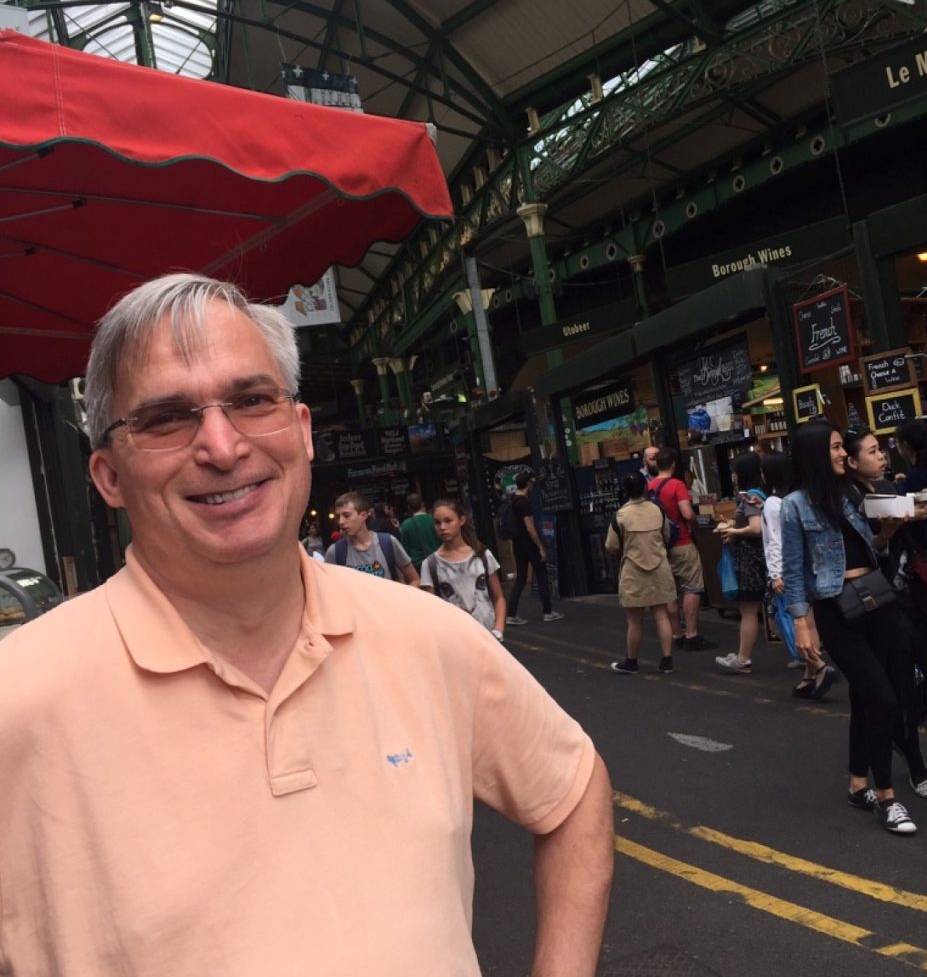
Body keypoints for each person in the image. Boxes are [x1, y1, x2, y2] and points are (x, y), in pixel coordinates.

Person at [0, 273, 615, 973]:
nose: (223, 446)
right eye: (167, 418)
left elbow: (571, 791)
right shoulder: (20, 700)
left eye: (252, 400)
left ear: (300, 431)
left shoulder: (427, 636)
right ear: (108, 476)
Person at [781, 422, 917, 835]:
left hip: (875, 601)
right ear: (815, 454)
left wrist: (890, 531)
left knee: (866, 697)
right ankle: (887, 797)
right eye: (837, 448)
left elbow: (869, 549)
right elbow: (793, 569)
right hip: (835, 609)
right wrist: (802, 624)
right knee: (883, 698)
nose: (844, 454)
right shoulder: (794, 505)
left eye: (843, 447)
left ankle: (858, 784)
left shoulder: (848, 494)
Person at [844, 427, 927, 798]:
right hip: (881, 602)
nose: (882, 457)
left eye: (883, 449)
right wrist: (888, 533)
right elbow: (864, 555)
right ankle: (911, 761)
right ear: (851, 460)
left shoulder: (891, 490)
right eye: (874, 451)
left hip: (912, 593)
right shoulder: (847, 501)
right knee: (897, 685)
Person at [761, 452, 834, 697]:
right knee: (809, 621)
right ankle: (809, 676)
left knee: (795, 622)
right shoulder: (798, 498)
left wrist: (775, 573)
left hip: (786, 570)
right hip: (806, 566)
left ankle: (818, 666)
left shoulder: (773, 503)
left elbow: (775, 539)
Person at [606, 471, 677, 675]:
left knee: (634, 620)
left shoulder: (620, 515)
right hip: (659, 567)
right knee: (661, 615)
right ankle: (667, 661)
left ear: (625, 491)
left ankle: (631, 662)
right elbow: (667, 535)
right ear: (645, 488)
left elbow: (611, 546)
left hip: (633, 569)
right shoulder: (657, 511)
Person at [648, 447, 713, 652]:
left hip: (660, 547)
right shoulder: (676, 485)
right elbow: (686, 513)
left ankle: (677, 633)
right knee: (692, 587)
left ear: (656, 464)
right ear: (673, 465)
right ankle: (692, 633)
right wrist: (695, 525)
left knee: (670, 592)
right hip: (682, 542)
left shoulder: (648, 487)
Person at [715, 452, 770, 676]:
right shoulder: (758, 494)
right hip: (756, 558)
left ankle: (743, 659)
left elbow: (756, 528)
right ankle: (804, 655)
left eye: (735, 472)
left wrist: (733, 531)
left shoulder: (750, 497)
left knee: (748, 610)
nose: (734, 476)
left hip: (751, 560)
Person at [420, 499, 506, 641]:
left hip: (489, 637)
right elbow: (432, 610)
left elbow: (498, 597)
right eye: (437, 522)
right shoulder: (430, 564)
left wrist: (498, 628)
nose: (442, 527)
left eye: (448, 521)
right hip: (456, 641)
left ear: (461, 520)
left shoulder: (482, 555)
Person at [505, 471, 564, 625]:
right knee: (542, 575)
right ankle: (548, 611)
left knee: (521, 579)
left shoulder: (512, 500)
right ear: (528, 483)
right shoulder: (524, 502)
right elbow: (530, 527)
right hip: (529, 544)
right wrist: (540, 547)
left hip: (518, 544)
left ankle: (511, 614)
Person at [326, 491, 420, 585]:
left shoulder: (387, 542)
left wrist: (401, 599)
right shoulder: (335, 552)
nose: (341, 521)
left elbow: (414, 579)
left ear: (363, 515)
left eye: (347, 515)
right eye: (338, 517)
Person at [399, 491, 441, 571]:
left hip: (418, 564)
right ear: (422, 504)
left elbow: (404, 550)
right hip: (438, 560)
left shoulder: (405, 525)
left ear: (409, 507)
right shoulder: (435, 520)